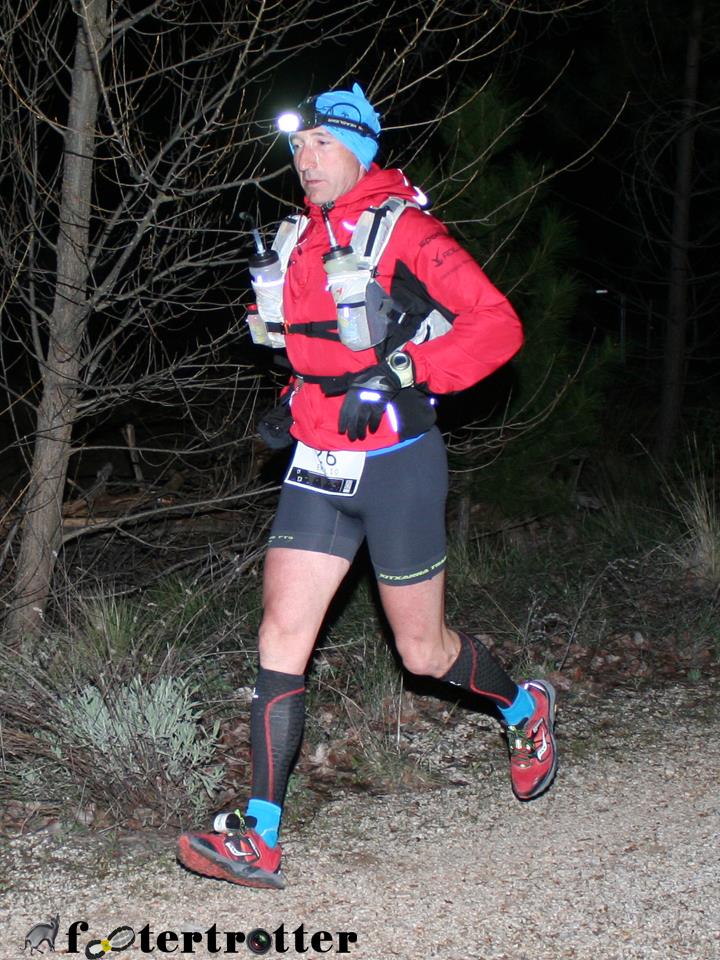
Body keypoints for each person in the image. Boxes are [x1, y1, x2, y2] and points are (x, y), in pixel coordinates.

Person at [177, 83, 557, 889]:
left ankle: (524, 710)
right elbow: (309, 347)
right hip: (317, 465)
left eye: (318, 143)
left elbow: (499, 324)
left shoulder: (406, 229)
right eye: (295, 146)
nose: (302, 159)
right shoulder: (292, 240)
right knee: (281, 638)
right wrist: (294, 397)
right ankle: (263, 835)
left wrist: (409, 368)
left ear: (359, 147)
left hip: (397, 467)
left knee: (423, 653)